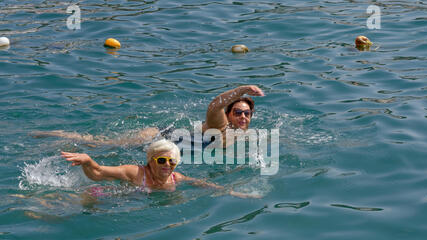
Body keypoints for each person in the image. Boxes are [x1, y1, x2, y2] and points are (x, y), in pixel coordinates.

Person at [32, 85, 265, 148]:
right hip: (160, 137)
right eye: (238, 112)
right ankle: (55, 135)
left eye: (247, 113)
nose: (243, 116)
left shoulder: (244, 136)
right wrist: (241, 89)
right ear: (228, 114)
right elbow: (215, 105)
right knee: (101, 144)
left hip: (169, 145)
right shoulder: (220, 124)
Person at [61, 139, 260, 198]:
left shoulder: (176, 178)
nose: (167, 165)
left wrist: (233, 192)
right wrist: (88, 161)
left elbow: (202, 184)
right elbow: (98, 173)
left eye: (172, 162)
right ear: (151, 159)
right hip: (101, 195)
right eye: (162, 160)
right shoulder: (135, 172)